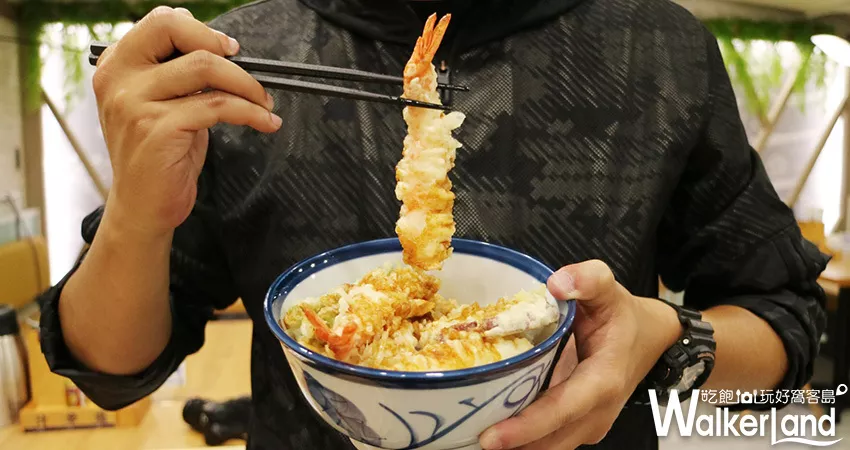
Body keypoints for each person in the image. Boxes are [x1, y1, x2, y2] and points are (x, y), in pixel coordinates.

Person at [39, 0, 830, 449]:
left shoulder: (661, 49)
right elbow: (111, 369)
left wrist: (664, 340)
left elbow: (788, 323)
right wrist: (139, 218)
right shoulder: (237, 59)